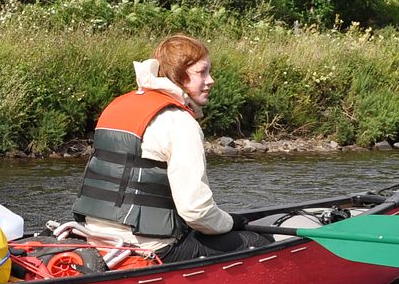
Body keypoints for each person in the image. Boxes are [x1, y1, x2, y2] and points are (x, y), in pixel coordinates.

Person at [72, 34, 272, 262]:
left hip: (94, 237)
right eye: (202, 72)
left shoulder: (117, 106)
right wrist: (230, 222)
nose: (211, 80)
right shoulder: (180, 122)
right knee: (257, 242)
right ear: (178, 74)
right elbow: (195, 211)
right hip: (150, 247)